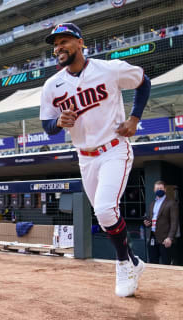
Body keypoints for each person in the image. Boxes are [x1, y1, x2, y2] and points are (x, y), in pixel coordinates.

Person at [40, 23, 151, 297]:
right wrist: (59, 122)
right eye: (55, 44)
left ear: (80, 43)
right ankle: (134, 261)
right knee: (105, 218)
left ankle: (123, 263)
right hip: (85, 157)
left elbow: (143, 81)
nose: (58, 47)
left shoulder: (108, 69)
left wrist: (135, 119)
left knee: (104, 209)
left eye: (64, 41)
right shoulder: (52, 85)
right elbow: (47, 125)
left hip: (114, 148)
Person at [143, 180, 179, 265]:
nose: (159, 190)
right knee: (152, 263)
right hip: (153, 237)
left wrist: (170, 237)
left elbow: (174, 222)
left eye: (161, 188)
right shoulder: (152, 204)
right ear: (154, 190)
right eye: (157, 188)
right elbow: (152, 219)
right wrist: (148, 224)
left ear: (165, 190)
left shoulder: (171, 203)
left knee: (166, 263)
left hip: (165, 239)